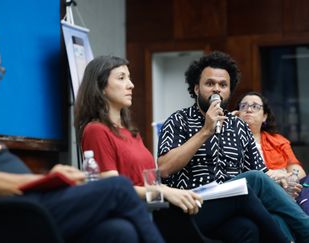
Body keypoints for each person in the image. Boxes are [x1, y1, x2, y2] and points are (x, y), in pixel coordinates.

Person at [0, 20, 166, 243]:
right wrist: (40, 181)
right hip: (17, 211)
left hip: (30, 203)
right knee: (119, 188)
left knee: (118, 231)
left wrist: (47, 179)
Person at [74, 55, 289, 242]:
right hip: (159, 212)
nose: (131, 85)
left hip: (170, 204)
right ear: (101, 87)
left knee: (245, 228)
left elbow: (149, 178)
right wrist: (168, 190)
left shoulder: (131, 132)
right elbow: (115, 186)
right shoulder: (96, 131)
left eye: (129, 78)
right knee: (244, 192)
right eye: (122, 78)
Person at [157, 51, 309, 242]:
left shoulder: (239, 126)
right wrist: (205, 131)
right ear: (196, 88)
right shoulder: (178, 120)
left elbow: (260, 174)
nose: (216, 90)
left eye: (223, 85)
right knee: (253, 180)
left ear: (230, 91)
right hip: (191, 209)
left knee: (249, 229)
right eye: (209, 83)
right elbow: (164, 169)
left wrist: (281, 179)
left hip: (233, 207)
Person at [235, 91, 306, 186]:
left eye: (255, 106)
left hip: (282, 189)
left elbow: (299, 173)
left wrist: (285, 176)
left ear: (264, 116)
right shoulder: (228, 140)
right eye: (243, 106)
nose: (248, 110)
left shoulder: (278, 141)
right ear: (237, 114)